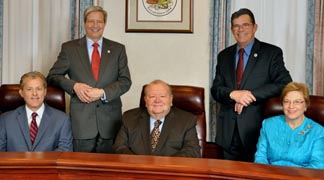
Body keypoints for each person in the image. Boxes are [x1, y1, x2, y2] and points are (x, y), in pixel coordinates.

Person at [210, 8, 292, 161]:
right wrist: (233, 94)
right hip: (228, 133)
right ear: (231, 29)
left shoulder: (271, 53)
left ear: (255, 27)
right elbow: (216, 90)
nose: (240, 30)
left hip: (257, 131)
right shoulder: (224, 56)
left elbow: (285, 83)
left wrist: (251, 95)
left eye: (245, 25)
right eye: (236, 26)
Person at [47, 6, 131, 153]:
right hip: (82, 122)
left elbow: (125, 81)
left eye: (99, 21)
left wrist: (103, 93)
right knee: (80, 170)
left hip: (110, 122)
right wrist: (74, 86)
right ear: (84, 23)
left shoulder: (118, 49)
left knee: (108, 170)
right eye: (91, 21)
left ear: (104, 24)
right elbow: (53, 76)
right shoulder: (69, 48)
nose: (95, 25)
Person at [113, 80, 200, 157]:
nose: (157, 100)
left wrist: (165, 165)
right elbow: (119, 147)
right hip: (136, 171)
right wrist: (138, 164)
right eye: (152, 96)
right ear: (145, 100)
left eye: (162, 96)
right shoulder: (129, 118)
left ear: (171, 100)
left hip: (171, 172)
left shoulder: (187, 120)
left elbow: (192, 151)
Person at [255, 82, 324, 169]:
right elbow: (260, 158)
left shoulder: (318, 131)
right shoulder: (268, 124)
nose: (291, 106)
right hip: (270, 175)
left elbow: (318, 166)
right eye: (286, 101)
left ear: (305, 105)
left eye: (297, 102)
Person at [0, 71, 73, 152]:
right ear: (21, 93)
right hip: (15, 165)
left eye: (39, 89)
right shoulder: (5, 120)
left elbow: (65, 151)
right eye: (29, 89)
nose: (34, 93)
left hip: (48, 165)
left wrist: (39, 163)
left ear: (45, 92)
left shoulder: (62, 120)